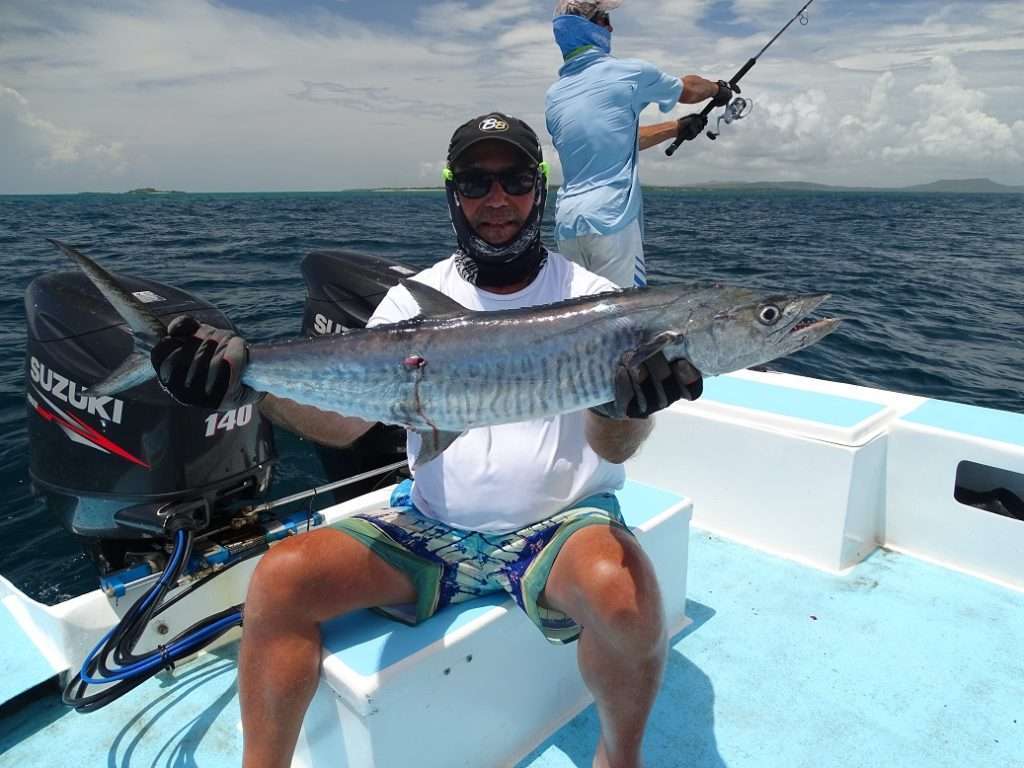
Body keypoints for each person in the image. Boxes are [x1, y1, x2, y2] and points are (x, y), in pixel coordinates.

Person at [151, 112, 703, 768]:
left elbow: (614, 450)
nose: (496, 199)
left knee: (627, 598)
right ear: (451, 192)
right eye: (475, 182)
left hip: (562, 528)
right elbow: (347, 425)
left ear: (539, 188)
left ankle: (621, 761)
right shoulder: (413, 302)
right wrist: (245, 388)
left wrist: (624, 409)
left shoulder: (597, 300)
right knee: (279, 578)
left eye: (515, 180)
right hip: (431, 527)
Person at [546, 0, 734, 288]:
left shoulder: (555, 96)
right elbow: (688, 90)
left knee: (581, 313)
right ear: (588, 27)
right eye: (605, 19)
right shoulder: (629, 73)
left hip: (568, 226)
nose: (611, 28)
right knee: (625, 313)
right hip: (612, 222)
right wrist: (718, 90)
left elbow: (614, 139)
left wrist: (676, 128)